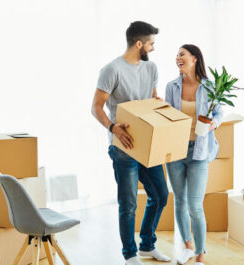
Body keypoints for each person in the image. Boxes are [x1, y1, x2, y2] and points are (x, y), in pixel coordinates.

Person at [91, 21, 171, 265]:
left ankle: (147, 245)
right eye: (151, 43)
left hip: (148, 144)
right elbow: (96, 107)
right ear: (139, 44)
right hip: (123, 147)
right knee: (128, 204)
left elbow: (150, 99)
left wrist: (159, 104)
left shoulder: (151, 68)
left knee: (161, 195)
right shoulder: (111, 70)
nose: (153, 48)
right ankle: (130, 255)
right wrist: (113, 127)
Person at [165, 44, 223, 265]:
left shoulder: (210, 86)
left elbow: (218, 111)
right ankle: (188, 246)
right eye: (176, 55)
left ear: (195, 58)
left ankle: (201, 253)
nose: (177, 58)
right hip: (176, 151)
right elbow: (168, 116)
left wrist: (213, 124)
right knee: (179, 201)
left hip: (199, 150)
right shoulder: (172, 87)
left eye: (182, 54)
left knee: (195, 205)